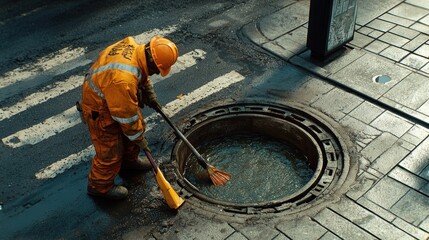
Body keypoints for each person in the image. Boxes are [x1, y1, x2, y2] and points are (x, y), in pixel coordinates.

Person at [78, 36, 179, 200]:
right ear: (152, 61)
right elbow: (127, 118)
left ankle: (129, 163)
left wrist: (148, 93)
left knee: (134, 132)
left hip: (113, 93)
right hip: (99, 108)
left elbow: (141, 71)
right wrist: (139, 138)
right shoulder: (123, 81)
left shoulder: (135, 49)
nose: (155, 74)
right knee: (110, 150)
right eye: (156, 70)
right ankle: (99, 187)